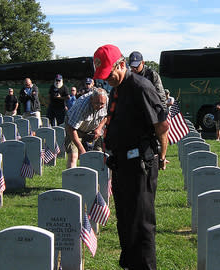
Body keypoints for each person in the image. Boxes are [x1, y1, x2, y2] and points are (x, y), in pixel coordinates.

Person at [93, 44, 168, 270]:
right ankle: (130, 264)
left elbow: (162, 126)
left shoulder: (140, 87)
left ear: (122, 65)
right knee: (125, 219)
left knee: (142, 222)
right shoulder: (117, 88)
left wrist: (161, 156)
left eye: (109, 73)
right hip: (122, 162)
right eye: (103, 75)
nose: (107, 79)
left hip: (140, 164)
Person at [64, 87, 108, 168]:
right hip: (75, 130)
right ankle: (71, 179)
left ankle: (98, 179)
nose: (99, 106)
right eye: (97, 103)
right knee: (73, 156)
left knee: (99, 155)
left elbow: (106, 116)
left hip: (93, 129)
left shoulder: (106, 101)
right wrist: (81, 148)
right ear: (91, 99)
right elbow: (71, 128)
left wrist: (99, 128)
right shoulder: (82, 106)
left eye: (102, 104)